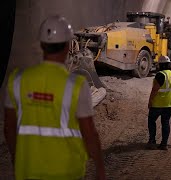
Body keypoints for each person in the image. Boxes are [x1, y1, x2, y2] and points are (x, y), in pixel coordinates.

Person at [4, 15, 106, 180]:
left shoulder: (17, 80)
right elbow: (89, 133)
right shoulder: (77, 86)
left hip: (27, 170)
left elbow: (9, 128)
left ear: (42, 44)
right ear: (67, 46)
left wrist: (17, 158)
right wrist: (100, 168)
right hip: (66, 171)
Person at [147, 55, 171, 150]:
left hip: (159, 103)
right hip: (170, 103)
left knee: (151, 120)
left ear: (160, 65)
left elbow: (155, 90)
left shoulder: (160, 75)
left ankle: (152, 141)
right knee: (165, 122)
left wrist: (150, 101)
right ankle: (164, 144)